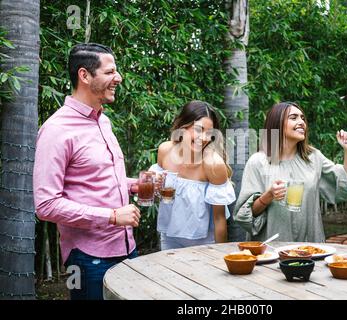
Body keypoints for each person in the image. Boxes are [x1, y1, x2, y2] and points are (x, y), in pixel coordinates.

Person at [33, 43, 141, 300]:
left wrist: (133, 185)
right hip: (88, 260)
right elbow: (46, 204)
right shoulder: (57, 129)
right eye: (110, 72)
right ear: (85, 75)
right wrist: (112, 216)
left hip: (127, 249)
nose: (119, 78)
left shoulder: (104, 120)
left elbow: (95, 180)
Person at [234, 101, 347, 243]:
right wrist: (268, 196)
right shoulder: (258, 162)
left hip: (310, 248)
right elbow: (245, 215)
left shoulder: (314, 157)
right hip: (271, 250)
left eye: (302, 118)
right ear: (277, 123)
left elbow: (343, 184)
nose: (301, 122)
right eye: (293, 118)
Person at [149, 100, 236, 250]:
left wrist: (220, 255)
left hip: (204, 242)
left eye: (209, 133)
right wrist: (154, 187)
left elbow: (219, 218)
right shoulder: (165, 150)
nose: (203, 138)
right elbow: (160, 198)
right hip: (169, 238)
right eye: (198, 129)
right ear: (183, 126)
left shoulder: (213, 164)